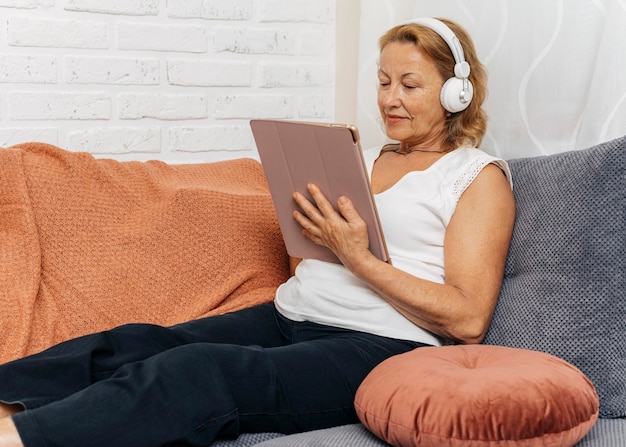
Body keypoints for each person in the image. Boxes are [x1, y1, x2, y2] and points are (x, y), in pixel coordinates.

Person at [0, 17, 515, 447]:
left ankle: (21, 439)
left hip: (379, 347)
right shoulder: (359, 160)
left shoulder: (474, 177)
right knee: (136, 343)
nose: (390, 100)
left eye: (409, 84)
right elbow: (308, 259)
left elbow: (468, 319)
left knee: (199, 371)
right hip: (291, 315)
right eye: (383, 82)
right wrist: (311, 230)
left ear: (455, 93)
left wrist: (358, 259)